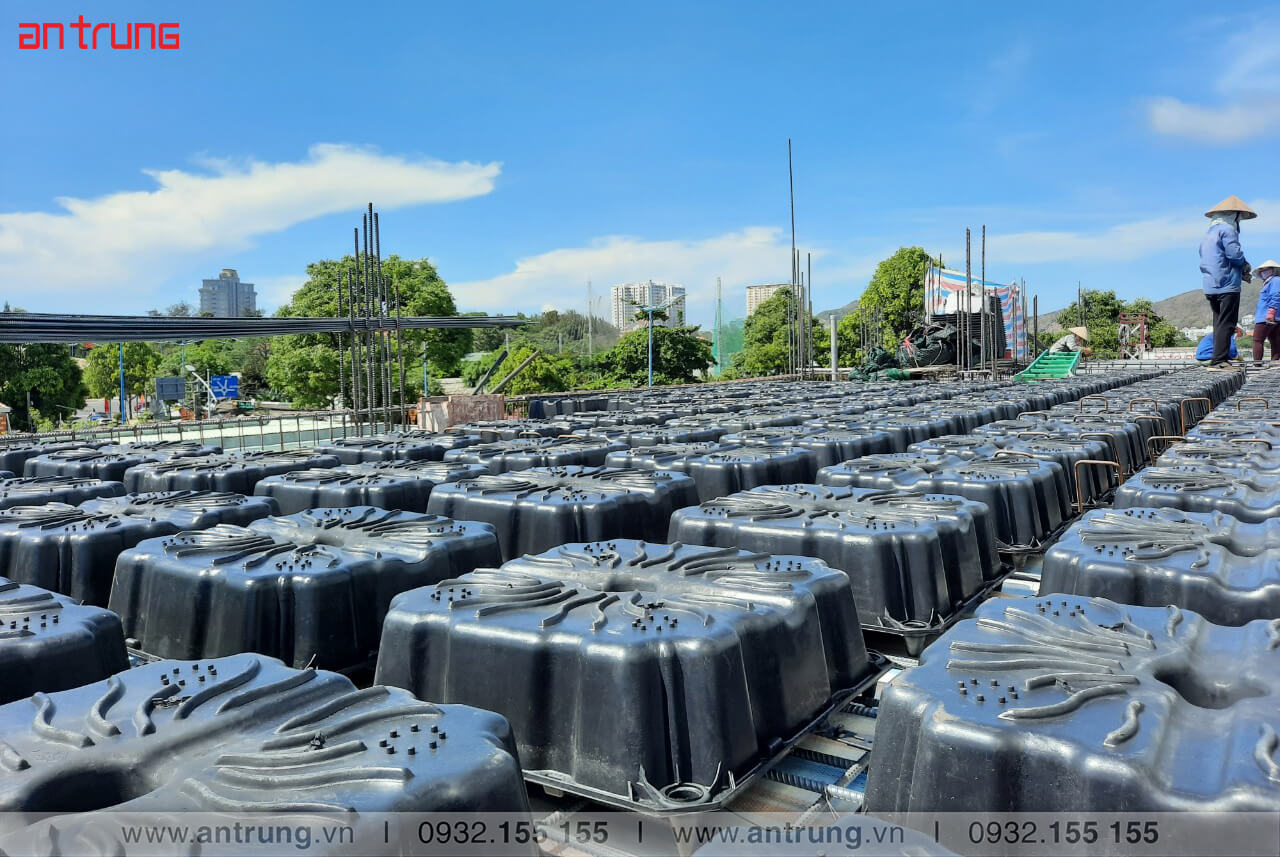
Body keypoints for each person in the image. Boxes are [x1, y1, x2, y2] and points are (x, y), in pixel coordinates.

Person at [1199, 195, 1256, 369]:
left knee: (1219, 323)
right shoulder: (1227, 230)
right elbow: (1234, 254)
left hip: (1211, 285)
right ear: (1234, 215)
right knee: (1228, 323)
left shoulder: (1209, 233)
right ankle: (1220, 361)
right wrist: (1245, 265)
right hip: (1227, 284)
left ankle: (1219, 358)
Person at [1252, 259, 1280, 364]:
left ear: (1273, 270)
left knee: (1257, 340)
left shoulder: (1275, 280)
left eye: (1265, 270)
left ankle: (1257, 364)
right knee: (1274, 340)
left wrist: (1271, 312)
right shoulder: (1269, 282)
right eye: (1261, 271)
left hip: (1266, 316)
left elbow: (1276, 295)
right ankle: (1275, 362)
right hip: (1273, 316)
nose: (1262, 272)